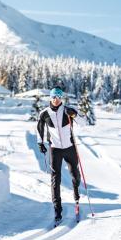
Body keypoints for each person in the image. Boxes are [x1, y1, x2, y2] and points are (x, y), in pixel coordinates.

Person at [37, 86, 81, 223]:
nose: (56, 100)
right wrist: (40, 143)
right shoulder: (44, 113)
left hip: (70, 148)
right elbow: (39, 128)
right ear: (50, 97)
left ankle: (76, 198)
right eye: (54, 97)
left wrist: (75, 114)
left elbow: (85, 123)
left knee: (75, 175)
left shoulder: (68, 111)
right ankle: (57, 211)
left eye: (59, 97)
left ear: (62, 98)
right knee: (55, 180)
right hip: (55, 149)